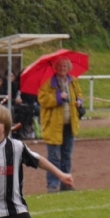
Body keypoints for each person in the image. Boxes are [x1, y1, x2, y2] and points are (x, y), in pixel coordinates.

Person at [36, 57, 84, 193]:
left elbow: (79, 94)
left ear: (69, 68)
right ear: (55, 68)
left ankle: (66, 184)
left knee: (66, 156)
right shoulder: (48, 82)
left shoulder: (73, 81)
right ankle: (52, 185)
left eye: (65, 66)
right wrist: (58, 97)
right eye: (60, 66)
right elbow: (42, 100)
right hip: (53, 126)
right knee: (54, 157)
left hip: (70, 124)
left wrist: (79, 101)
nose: (62, 68)